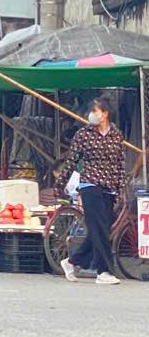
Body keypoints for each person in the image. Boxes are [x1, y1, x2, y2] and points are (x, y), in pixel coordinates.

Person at [58, 94, 127, 286]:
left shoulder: (116, 135)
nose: (91, 115)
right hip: (90, 185)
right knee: (99, 229)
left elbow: (120, 164)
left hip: (109, 187)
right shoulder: (83, 134)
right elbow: (72, 161)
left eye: (95, 111)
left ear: (105, 114)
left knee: (101, 230)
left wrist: (120, 190)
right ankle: (104, 271)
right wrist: (60, 184)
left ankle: (72, 262)